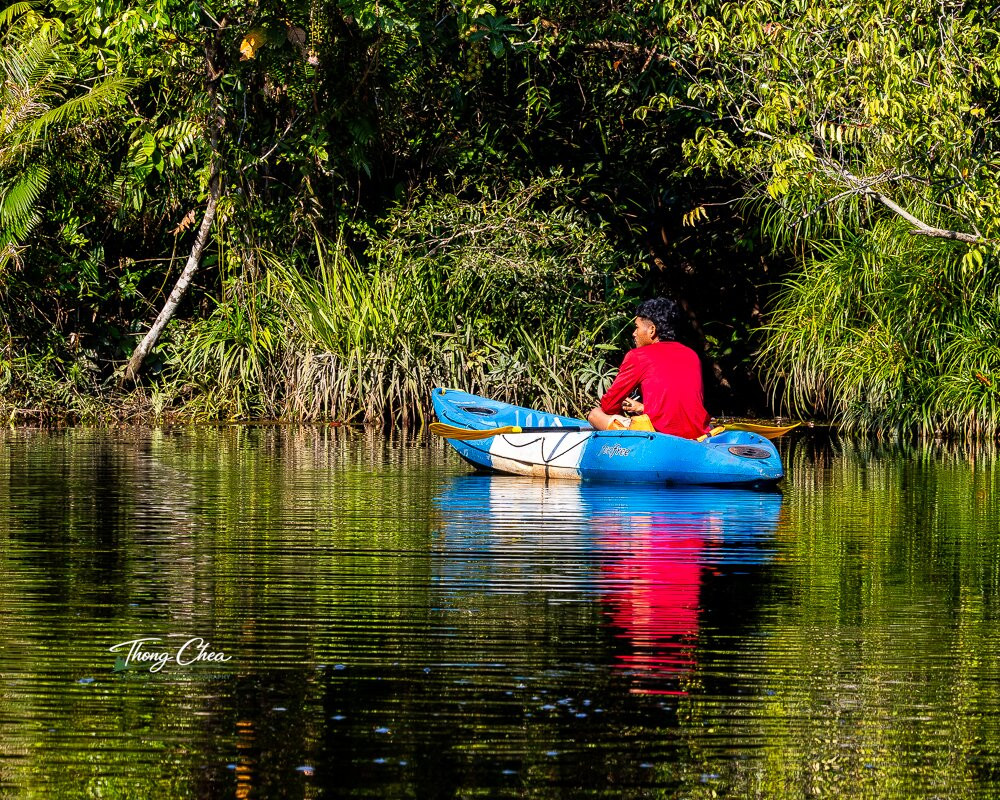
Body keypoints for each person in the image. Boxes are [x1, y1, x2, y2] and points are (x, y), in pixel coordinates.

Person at [587, 297, 711, 439]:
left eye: (637, 327)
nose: (634, 333)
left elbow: (609, 405)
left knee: (595, 414)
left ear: (652, 330)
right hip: (697, 435)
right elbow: (678, 406)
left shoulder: (637, 356)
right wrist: (641, 408)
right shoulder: (691, 355)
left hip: (659, 439)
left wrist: (620, 414)